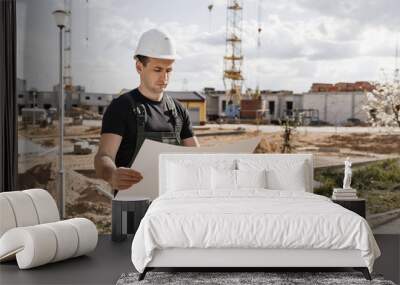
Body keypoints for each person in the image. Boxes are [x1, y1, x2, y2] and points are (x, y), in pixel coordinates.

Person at [94, 29, 200, 194]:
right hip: (133, 207)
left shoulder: (178, 110)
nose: (164, 77)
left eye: (169, 70)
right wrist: (112, 174)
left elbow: (197, 157)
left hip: (171, 204)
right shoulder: (121, 107)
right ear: (139, 66)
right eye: (158, 70)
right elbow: (103, 157)